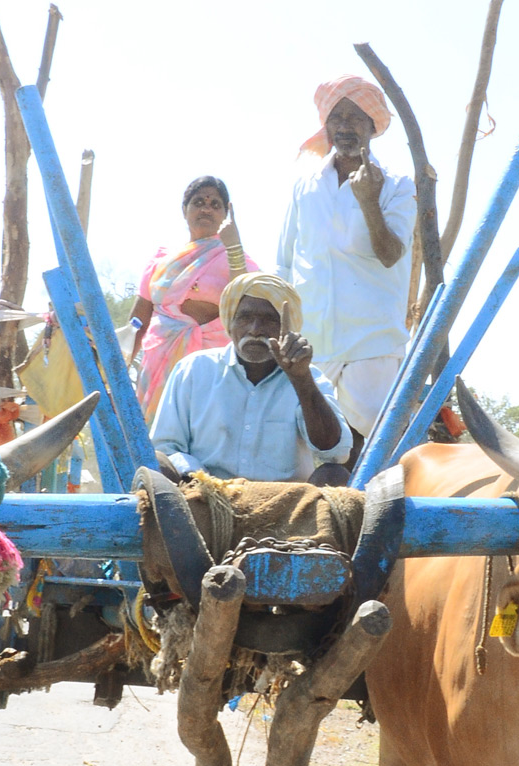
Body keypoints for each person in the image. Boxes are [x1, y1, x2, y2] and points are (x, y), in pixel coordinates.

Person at [276, 75, 417, 457]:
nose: (344, 126)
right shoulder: (305, 184)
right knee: (305, 453)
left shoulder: (398, 185)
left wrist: (368, 201)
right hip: (312, 347)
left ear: (373, 125)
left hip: (372, 343)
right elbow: (286, 261)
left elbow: (391, 254)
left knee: (382, 451)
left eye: (356, 117)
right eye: (336, 116)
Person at [150, 273, 351, 485]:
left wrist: (301, 379)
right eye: (245, 318)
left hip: (285, 505)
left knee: (334, 476)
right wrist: (200, 481)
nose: (255, 330)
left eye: (269, 320)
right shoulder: (193, 370)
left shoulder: (309, 376)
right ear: (230, 320)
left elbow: (336, 454)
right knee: (158, 465)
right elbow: (166, 447)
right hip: (205, 495)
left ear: (288, 328)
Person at [129, 176, 258, 422]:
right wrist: (116, 369)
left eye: (215, 204)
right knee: (153, 438)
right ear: (184, 210)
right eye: (198, 202)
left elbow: (248, 301)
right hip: (158, 365)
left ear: (225, 214)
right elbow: (137, 323)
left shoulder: (236, 257)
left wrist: (234, 246)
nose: (206, 208)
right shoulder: (161, 261)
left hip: (211, 367)